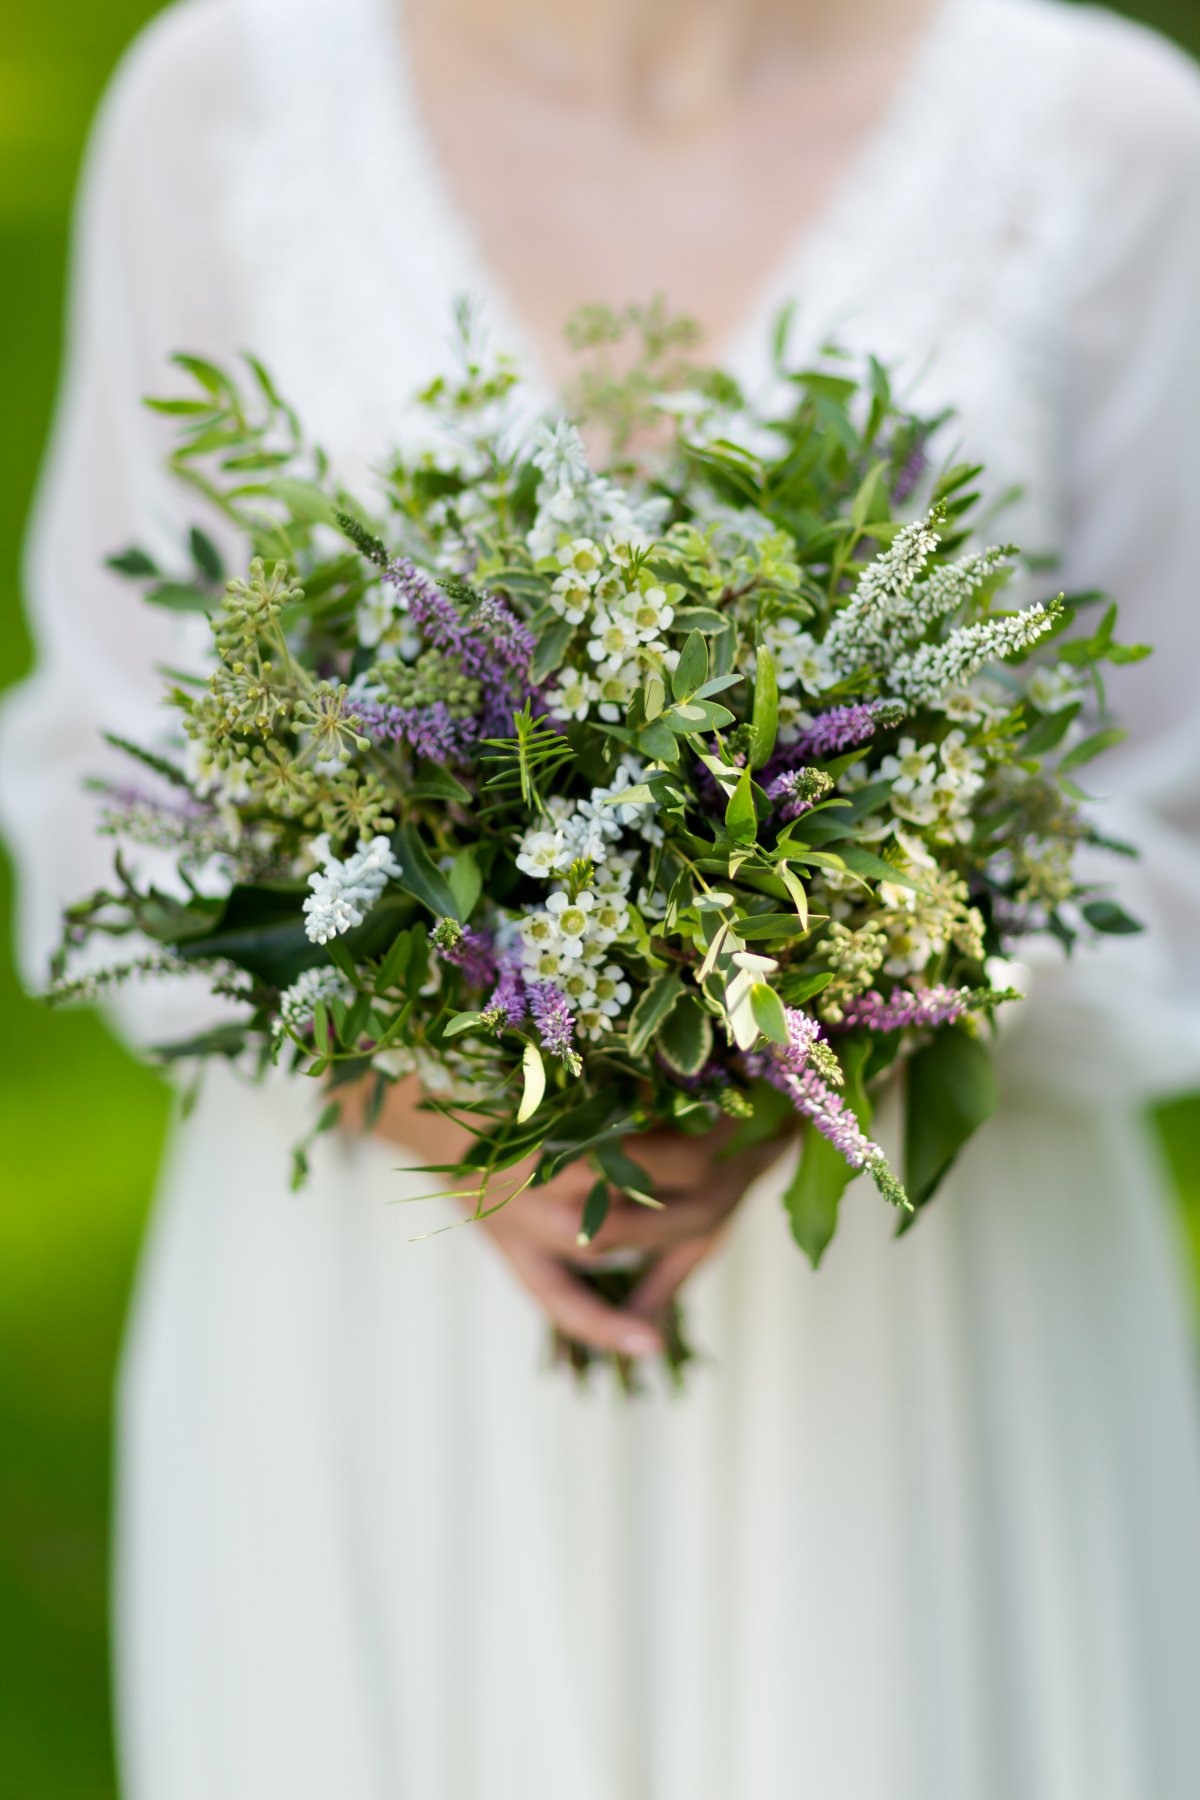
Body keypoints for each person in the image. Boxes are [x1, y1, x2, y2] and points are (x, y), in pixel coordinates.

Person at [4, 0, 1200, 1791]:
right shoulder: (225, 98)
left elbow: (1168, 818)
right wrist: (419, 1084)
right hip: (377, 1316)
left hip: (925, 1327)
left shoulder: (1114, 139)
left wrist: (819, 1035)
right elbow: (110, 760)